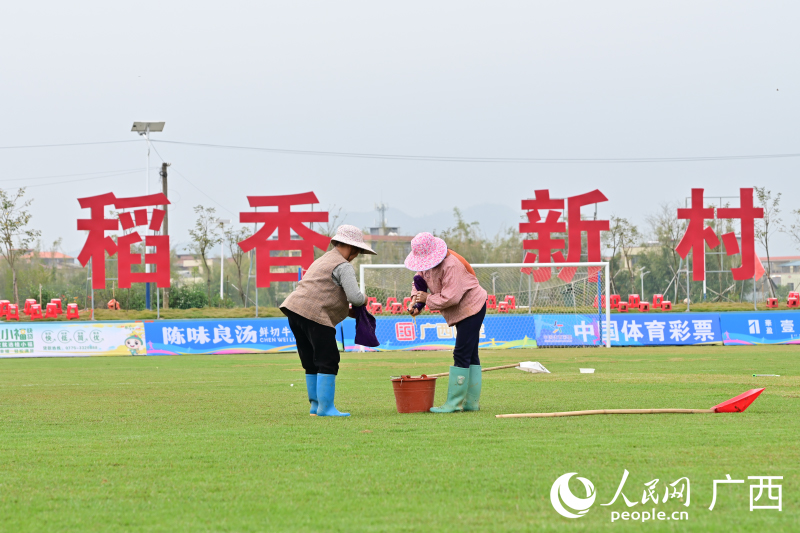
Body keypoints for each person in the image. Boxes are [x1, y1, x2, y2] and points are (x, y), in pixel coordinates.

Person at [280, 225, 376, 417]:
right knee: (328, 359)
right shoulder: (343, 266)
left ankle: (315, 407)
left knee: (310, 361)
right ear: (350, 247)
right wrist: (365, 299)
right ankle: (326, 408)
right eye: (357, 250)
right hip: (315, 315)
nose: (357, 254)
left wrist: (348, 313)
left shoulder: (322, 260)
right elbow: (355, 298)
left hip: (294, 311)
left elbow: (322, 292)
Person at [405, 232, 488, 413]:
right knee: (470, 355)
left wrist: (426, 299)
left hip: (472, 308)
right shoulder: (425, 264)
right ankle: (471, 403)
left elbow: (451, 298)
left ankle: (454, 403)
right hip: (462, 311)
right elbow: (418, 282)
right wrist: (416, 301)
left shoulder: (451, 264)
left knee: (461, 353)